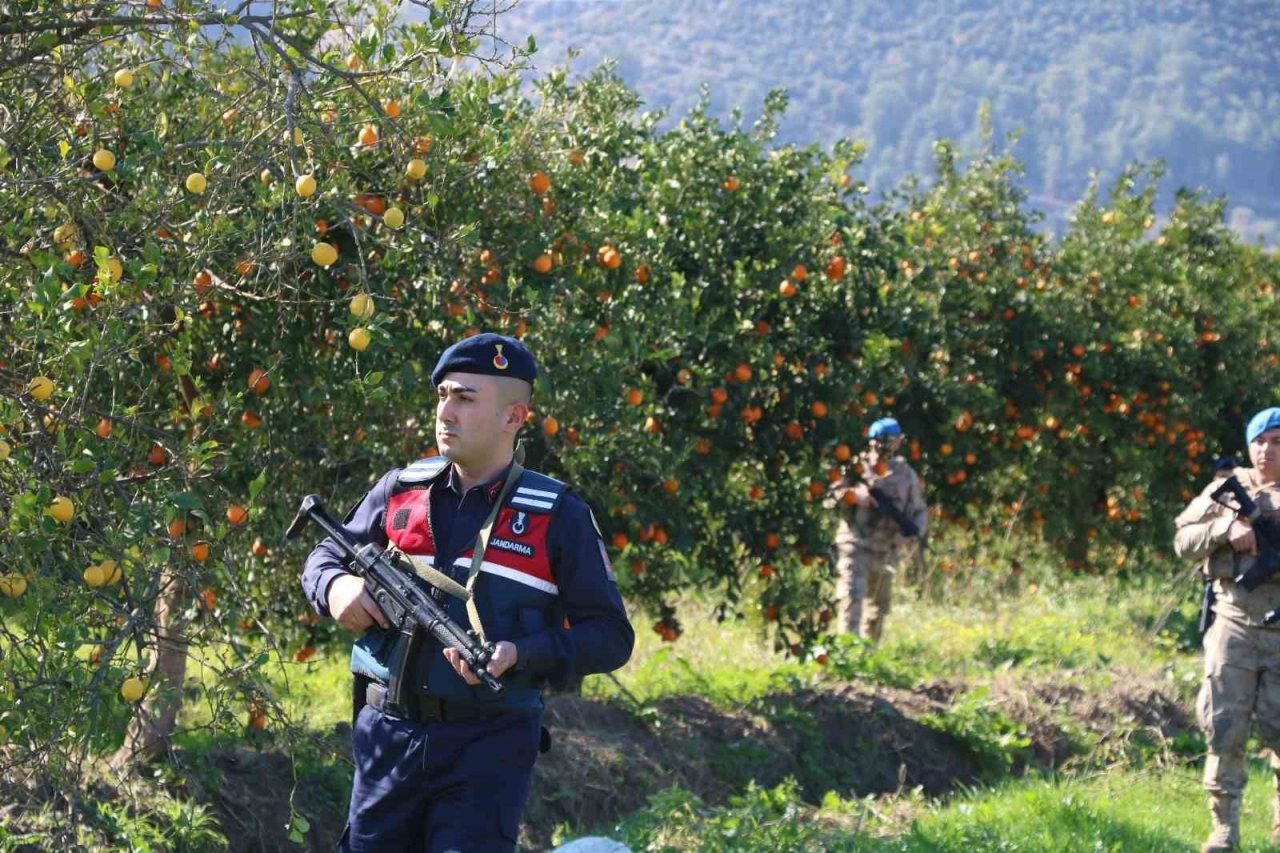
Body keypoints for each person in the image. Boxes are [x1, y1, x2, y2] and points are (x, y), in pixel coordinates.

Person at [300, 333, 635, 852]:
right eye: (442, 396)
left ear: (514, 417)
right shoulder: (400, 489)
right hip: (387, 737)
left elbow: (611, 636)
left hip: (488, 747)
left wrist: (522, 654)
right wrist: (336, 585)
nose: (446, 413)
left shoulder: (557, 514)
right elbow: (324, 555)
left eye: (465, 398)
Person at [1175, 406, 1280, 852]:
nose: (1266, 451)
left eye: (1277, 442)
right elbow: (1183, 540)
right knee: (1223, 729)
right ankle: (1224, 830)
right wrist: (1226, 527)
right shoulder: (1224, 490)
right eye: (1260, 441)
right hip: (1234, 621)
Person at [827, 416, 928, 643]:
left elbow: (919, 510)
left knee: (878, 608)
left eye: (894, 441)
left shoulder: (905, 474)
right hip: (856, 544)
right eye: (885, 441)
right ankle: (848, 651)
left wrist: (911, 534)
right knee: (852, 597)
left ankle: (869, 655)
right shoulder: (856, 467)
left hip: (886, 547)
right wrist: (852, 496)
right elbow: (831, 496)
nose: (889, 447)